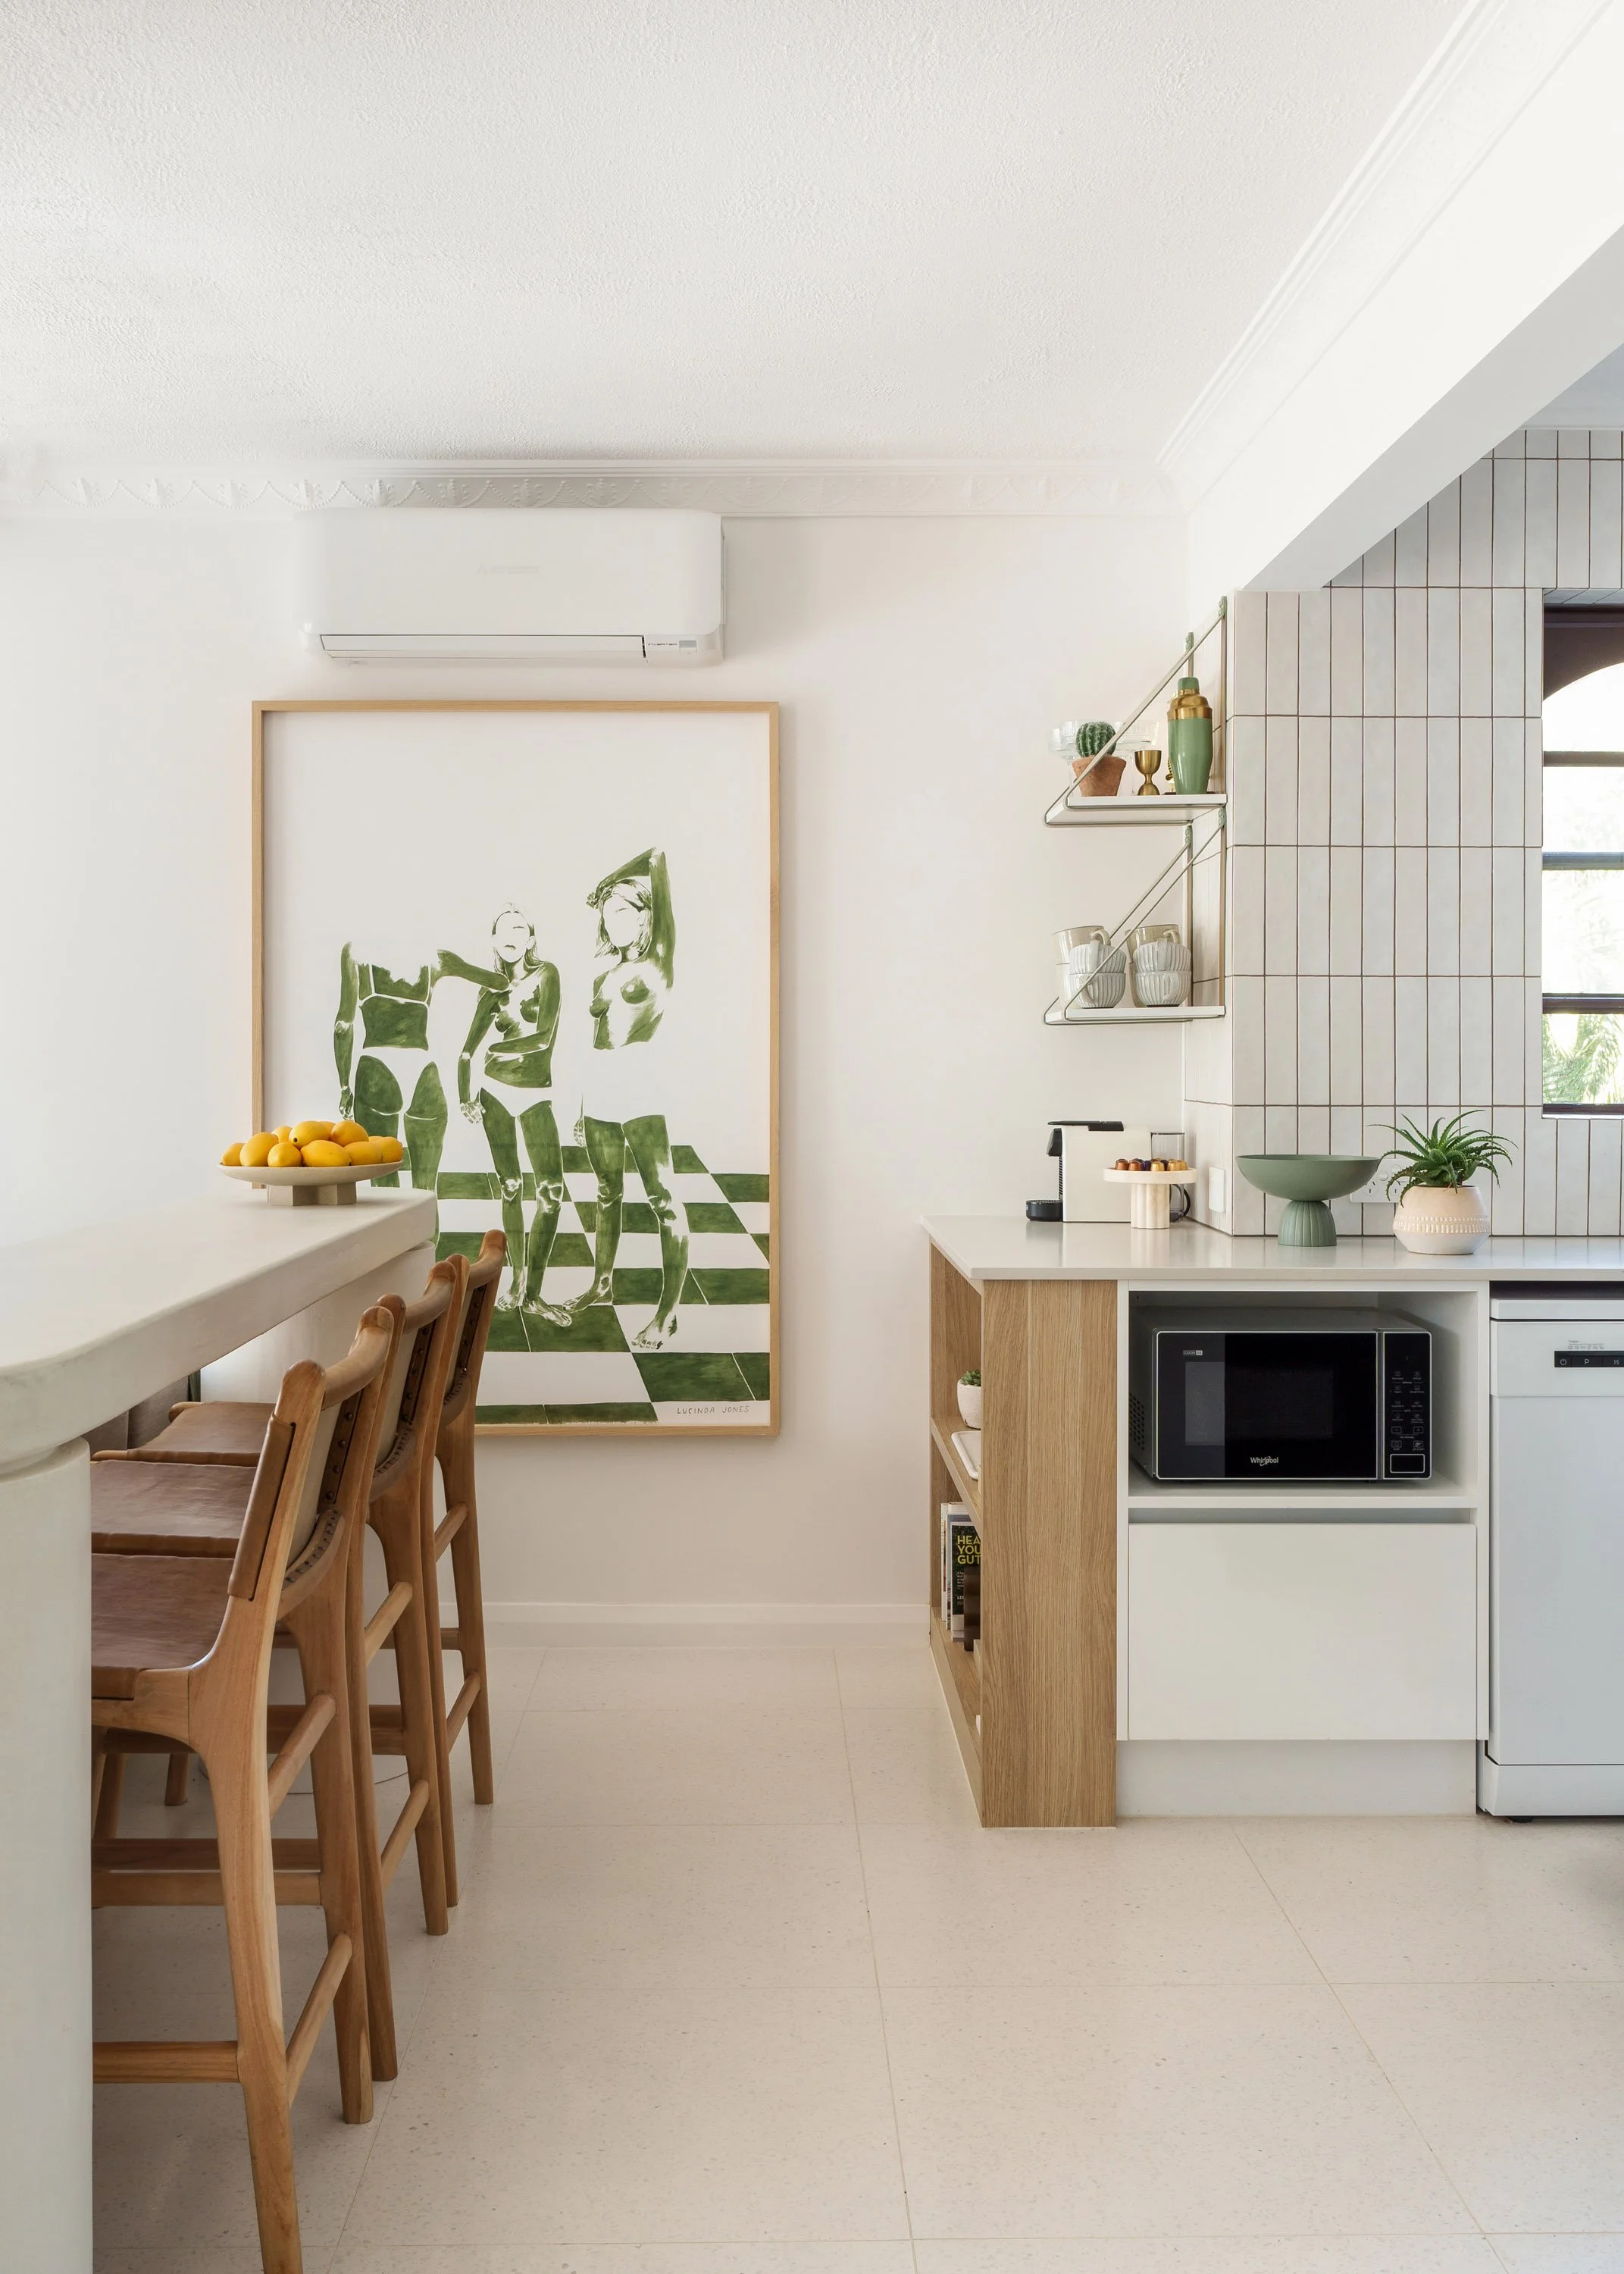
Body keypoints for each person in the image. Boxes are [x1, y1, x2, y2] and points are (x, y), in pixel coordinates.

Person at [566, 848, 687, 1351]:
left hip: (643, 1089)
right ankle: (602, 1283)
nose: (609, 921)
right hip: (602, 1092)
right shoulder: (603, 974)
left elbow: (657, 857)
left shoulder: (659, 960)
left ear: (645, 917)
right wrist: (580, 1108)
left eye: (620, 910)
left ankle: (668, 1313)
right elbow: (596, 1044)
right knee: (606, 1193)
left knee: (662, 1200)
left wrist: (610, 880)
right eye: (605, 912)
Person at [442, 907, 568, 1317]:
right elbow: (464, 1053)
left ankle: (534, 1293)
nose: (511, 935)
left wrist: (498, 1049)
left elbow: (544, 1037)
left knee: (550, 1192)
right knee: (512, 1186)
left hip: (535, 1093)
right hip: (494, 1093)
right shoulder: (491, 992)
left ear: (531, 939)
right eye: (502, 930)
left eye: (520, 928)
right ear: (494, 941)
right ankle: (515, 1284)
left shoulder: (547, 974)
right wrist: (465, 1098)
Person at [333, 948, 447, 1195]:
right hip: (424, 1071)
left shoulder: (356, 951)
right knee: (427, 1192)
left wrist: (345, 1087)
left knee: (384, 1190)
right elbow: (497, 981)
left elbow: (343, 1025)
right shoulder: (433, 958)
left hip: (377, 1071)